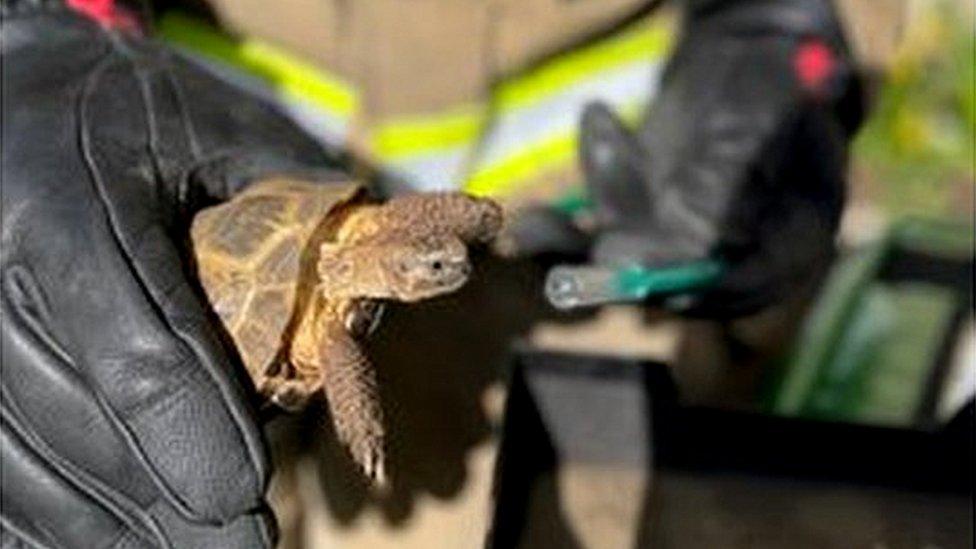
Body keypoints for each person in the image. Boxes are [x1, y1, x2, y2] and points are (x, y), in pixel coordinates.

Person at [0, 0, 863, 547]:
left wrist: (790, 27)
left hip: (585, 238)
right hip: (141, 172)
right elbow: (336, 352)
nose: (434, 267)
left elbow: (436, 237)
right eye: (424, 267)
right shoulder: (334, 333)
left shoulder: (394, 241)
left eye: (427, 263)